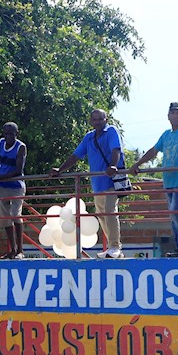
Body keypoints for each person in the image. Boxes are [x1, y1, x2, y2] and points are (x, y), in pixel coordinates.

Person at [130, 102, 178, 258]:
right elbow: (153, 151)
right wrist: (137, 164)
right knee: (173, 214)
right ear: (168, 116)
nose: (176, 116)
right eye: (173, 113)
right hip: (169, 181)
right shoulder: (166, 135)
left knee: (176, 212)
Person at [51, 108, 128, 259]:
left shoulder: (111, 131)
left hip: (111, 180)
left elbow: (116, 150)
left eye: (101, 119)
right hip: (97, 183)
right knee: (101, 215)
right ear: (91, 121)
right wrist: (60, 169)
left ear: (106, 120)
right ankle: (113, 247)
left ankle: (115, 246)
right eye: (95, 119)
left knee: (110, 212)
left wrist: (113, 165)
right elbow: (76, 155)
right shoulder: (89, 137)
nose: (98, 122)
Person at [0, 122, 28, 258]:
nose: (8, 136)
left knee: (15, 215)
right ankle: (12, 249)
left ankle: (20, 250)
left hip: (16, 186)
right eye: (6, 133)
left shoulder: (21, 147)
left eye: (11, 134)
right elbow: (0, 161)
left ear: (16, 134)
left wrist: (0, 178)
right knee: (5, 219)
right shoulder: (1, 143)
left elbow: (18, 170)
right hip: (2, 186)